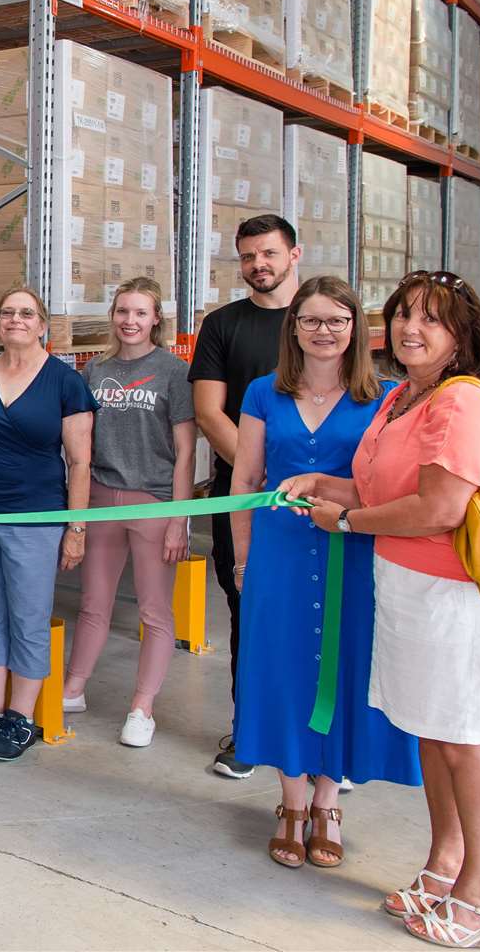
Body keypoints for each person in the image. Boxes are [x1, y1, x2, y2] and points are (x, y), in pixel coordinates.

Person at [278, 272, 480, 947]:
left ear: (460, 336)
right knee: (436, 737)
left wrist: (346, 522)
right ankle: (445, 865)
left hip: (460, 600)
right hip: (410, 591)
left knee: (468, 743)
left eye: (430, 320)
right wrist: (323, 483)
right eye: (403, 315)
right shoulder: (404, 398)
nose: (410, 328)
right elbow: (379, 484)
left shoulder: (462, 403)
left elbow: (440, 507)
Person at [229, 275, 419, 870]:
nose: (324, 331)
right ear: (294, 328)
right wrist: (242, 556)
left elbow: (388, 484)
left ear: (356, 329)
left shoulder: (386, 396)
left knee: (343, 667)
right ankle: (290, 801)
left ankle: (328, 803)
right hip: (280, 553)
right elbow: (245, 481)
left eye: (337, 320)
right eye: (311, 320)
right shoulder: (263, 392)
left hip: (353, 547)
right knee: (284, 667)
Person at [0, 286, 95, 763]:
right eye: (7, 313)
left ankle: (21, 717)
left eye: (26, 313)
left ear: (42, 324)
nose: (15, 320)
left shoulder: (64, 382)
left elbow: (80, 462)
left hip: (35, 519)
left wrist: (76, 529)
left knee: (27, 619)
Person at [188, 213, 302, 779]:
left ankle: (320, 744)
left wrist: (302, 484)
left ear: (294, 255)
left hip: (318, 502)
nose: (259, 265)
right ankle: (249, 731)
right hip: (245, 499)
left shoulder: (321, 320)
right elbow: (210, 411)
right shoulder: (223, 325)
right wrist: (259, 480)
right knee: (247, 614)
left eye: (269, 254)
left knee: (318, 617)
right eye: (249, 256)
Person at [63, 278, 194, 747]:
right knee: (93, 604)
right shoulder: (95, 370)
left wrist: (179, 519)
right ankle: (74, 688)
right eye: (122, 311)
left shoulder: (174, 372)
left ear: (156, 319)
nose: (130, 321)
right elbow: (80, 444)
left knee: (154, 611)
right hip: (101, 496)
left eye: (140, 313)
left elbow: (185, 452)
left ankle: (142, 707)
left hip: (154, 502)